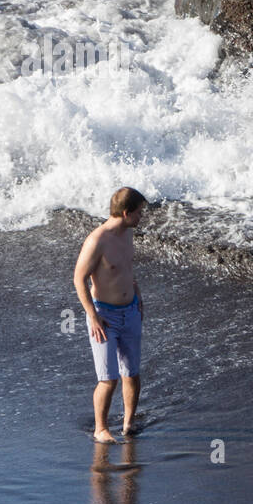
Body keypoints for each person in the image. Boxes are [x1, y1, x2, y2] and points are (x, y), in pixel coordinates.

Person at [73, 187, 147, 443]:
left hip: (131, 311)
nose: (141, 218)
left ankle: (128, 423)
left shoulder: (127, 233)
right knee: (108, 379)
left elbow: (126, 268)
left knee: (132, 373)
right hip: (105, 316)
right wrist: (92, 316)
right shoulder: (97, 241)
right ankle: (101, 428)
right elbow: (79, 279)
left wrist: (138, 296)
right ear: (126, 213)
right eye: (138, 213)